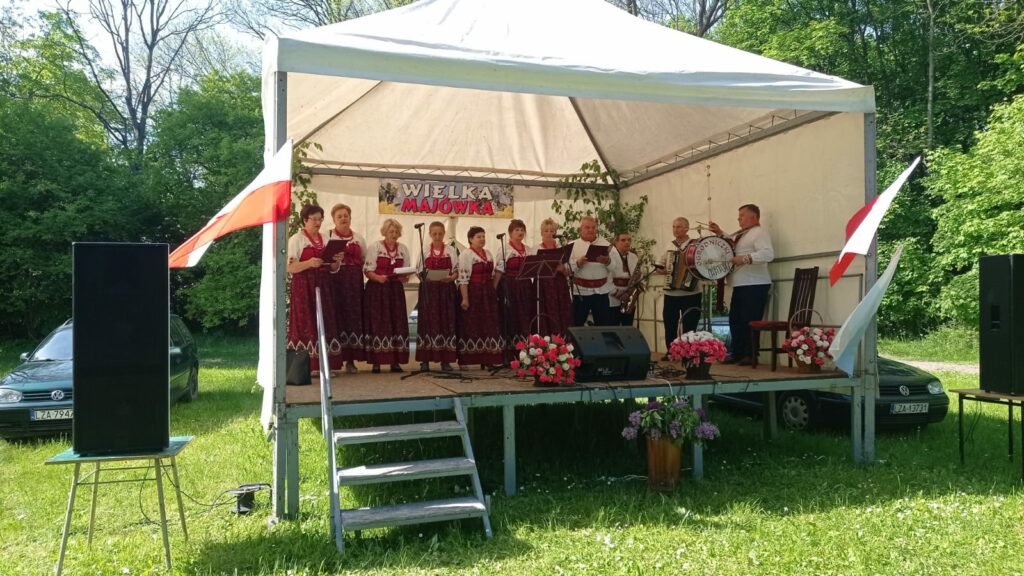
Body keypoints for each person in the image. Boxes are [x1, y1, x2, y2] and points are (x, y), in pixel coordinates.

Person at [709, 204, 775, 365]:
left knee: (749, 320)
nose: (739, 219)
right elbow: (733, 245)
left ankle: (750, 354)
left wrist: (745, 259)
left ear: (753, 217)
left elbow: (768, 254)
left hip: (754, 283)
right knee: (735, 319)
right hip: (741, 284)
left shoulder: (759, 232)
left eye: (742, 216)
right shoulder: (744, 234)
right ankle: (738, 352)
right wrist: (720, 233)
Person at [287, 204, 342, 372]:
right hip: (304, 286)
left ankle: (326, 365)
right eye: (314, 219)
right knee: (306, 322)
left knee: (326, 320)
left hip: (324, 285)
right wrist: (309, 263)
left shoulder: (325, 238)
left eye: (320, 219)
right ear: (305, 220)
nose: (318, 223)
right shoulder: (297, 239)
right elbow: (290, 267)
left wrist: (336, 261)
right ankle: (306, 366)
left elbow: (333, 268)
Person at [363, 218, 413, 373]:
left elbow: (406, 271)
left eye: (396, 231)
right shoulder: (376, 247)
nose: (394, 234)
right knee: (378, 323)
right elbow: (367, 270)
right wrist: (379, 278)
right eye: (391, 231)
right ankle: (376, 362)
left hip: (395, 291)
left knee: (396, 322)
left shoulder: (403, 249)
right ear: (385, 232)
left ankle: (395, 362)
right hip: (377, 290)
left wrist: (405, 277)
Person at [456, 226, 504, 369]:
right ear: (471, 239)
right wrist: (465, 298)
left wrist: (493, 291)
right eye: (478, 236)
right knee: (471, 324)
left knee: (488, 324)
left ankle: (488, 359)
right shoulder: (466, 254)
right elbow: (463, 278)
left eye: (483, 236)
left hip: (487, 293)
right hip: (473, 292)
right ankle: (465, 360)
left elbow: (493, 275)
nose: (482, 239)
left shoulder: (488, 253)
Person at [656, 217, 702, 358]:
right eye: (674, 227)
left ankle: (689, 352)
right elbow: (660, 262)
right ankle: (672, 351)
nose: (675, 230)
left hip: (691, 292)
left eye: (679, 227)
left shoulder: (696, 245)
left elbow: (703, 263)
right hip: (672, 293)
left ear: (687, 228)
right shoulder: (670, 245)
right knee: (670, 323)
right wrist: (661, 269)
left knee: (690, 324)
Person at [327, 203, 366, 374]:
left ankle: (351, 360)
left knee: (353, 318)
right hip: (335, 282)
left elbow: (364, 259)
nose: (343, 218)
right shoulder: (327, 236)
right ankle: (334, 360)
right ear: (333, 219)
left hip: (354, 283)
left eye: (346, 216)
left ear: (350, 218)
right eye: (339, 216)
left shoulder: (358, 238)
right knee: (335, 318)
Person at [415, 221, 459, 372]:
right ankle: (425, 360)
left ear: (444, 233)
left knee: (446, 322)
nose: (438, 236)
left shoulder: (451, 250)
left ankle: (445, 361)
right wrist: (425, 278)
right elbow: (418, 271)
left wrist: (451, 278)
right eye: (434, 234)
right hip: (429, 291)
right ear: (430, 234)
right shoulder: (425, 250)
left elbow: (456, 271)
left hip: (446, 291)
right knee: (427, 323)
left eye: (440, 233)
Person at [494, 219, 533, 352]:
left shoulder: (528, 249)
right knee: (512, 316)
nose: (520, 232)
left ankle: (526, 347)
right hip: (510, 286)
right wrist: (494, 289)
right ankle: (511, 350)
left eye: (522, 230)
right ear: (510, 233)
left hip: (526, 286)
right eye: (517, 230)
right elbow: (499, 271)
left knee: (526, 315)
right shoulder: (505, 249)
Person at [568, 215, 613, 326]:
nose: (591, 230)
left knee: (603, 326)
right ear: (580, 229)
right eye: (587, 227)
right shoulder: (572, 245)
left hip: (601, 292)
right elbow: (566, 268)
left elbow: (615, 267)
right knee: (577, 326)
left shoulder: (606, 244)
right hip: (581, 292)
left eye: (593, 227)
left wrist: (607, 261)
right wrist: (578, 263)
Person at [534, 218, 573, 338]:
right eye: (546, 231)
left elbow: (569, 271)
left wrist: (563, 269)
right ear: (541, 233)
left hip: (559, 284)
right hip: (544, 285)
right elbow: (532, 269)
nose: (549, 233)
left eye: (552, 231)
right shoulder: (536, 248)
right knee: (546, 310)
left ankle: (563, 338)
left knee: (562, 310)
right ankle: (546, 339)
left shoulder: (561, 248)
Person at [607, 232, 640, 326]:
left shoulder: (634, 257)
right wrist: (617, 293)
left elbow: (636, 276)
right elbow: (606, 277)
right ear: (616, 242)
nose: (627, 242)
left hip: (629, 299)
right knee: (613, 328)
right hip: (613, 298)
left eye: (629, 240)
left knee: (627, 328)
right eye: (623, 240)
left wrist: (630, 293)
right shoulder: (609, 256)